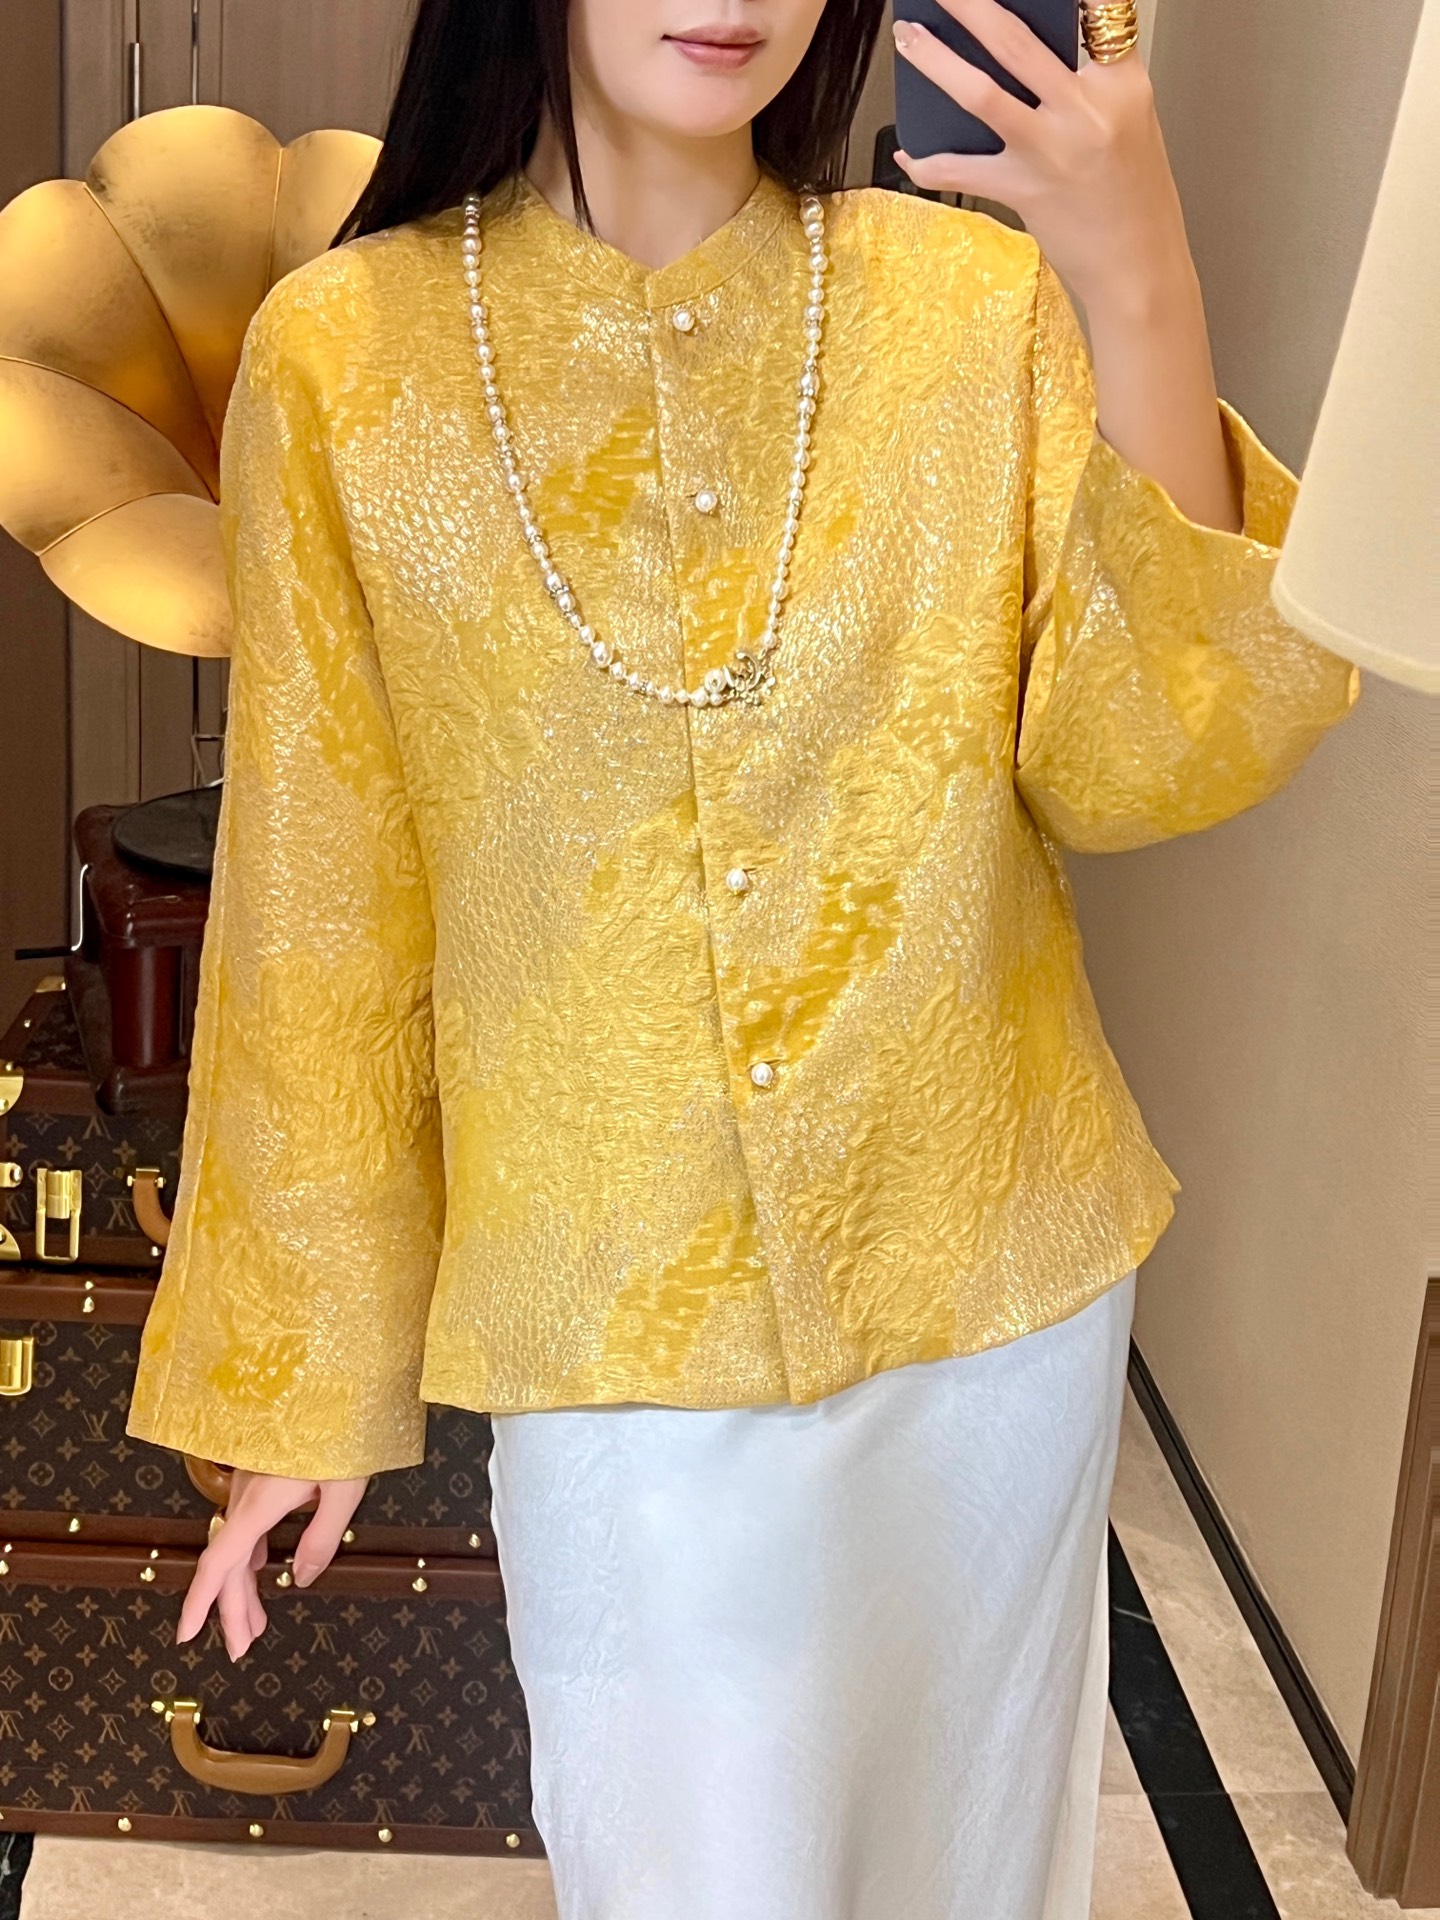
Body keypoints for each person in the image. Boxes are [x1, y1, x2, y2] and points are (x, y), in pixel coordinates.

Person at [125, 1, 1360, 1914]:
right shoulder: (341, 360)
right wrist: (302, 1373)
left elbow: (1144, 762)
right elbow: (326, 896)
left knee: (968, 1867)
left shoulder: (967, 310)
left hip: (992, 1279)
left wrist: (1141, 279)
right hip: (609, 1309)